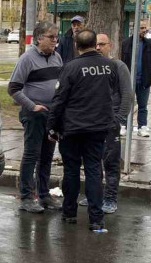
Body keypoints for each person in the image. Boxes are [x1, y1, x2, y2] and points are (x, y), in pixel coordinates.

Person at [45, 29, 116, 231]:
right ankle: (96, 219)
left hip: (73, 128)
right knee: (94, 170)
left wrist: (52, 126)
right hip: (99, 127)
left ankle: (69, 213)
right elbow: (113, 93)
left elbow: (59, 100)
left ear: (76, 46)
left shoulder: (71, 67)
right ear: (96, 44)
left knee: (72, 170)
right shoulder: (109, 66)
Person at [7, 21, 63, 214]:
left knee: (47, 156)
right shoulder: (27, 58)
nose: (55, 40)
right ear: (39, 38)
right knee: (32, 155)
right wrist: (33, 106)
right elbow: (13, 89)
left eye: (56, 37)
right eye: (51, 37)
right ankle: (26, 197)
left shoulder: (57, 58)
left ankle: (44, 194)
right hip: (33, 115)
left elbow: (60, 85)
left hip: (51, 115)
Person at [83, 33, 133, 214]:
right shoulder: (90, 67)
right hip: (91, 123)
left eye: (102, 45)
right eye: (95, 45)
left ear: (109, 46)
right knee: (92, 161)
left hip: (110, 123)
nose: (98, 48)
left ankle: (111, 198)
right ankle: (93, 195)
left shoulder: (118, 66)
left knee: (111, 162)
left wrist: (119, 118)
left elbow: (127, 94)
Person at [121, 20, 151, 138]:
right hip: (129, 80)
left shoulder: (150, 44)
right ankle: (123, 125)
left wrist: (150, 74)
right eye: (141, 28)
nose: (144, 30)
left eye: (145, 28)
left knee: (143, 105)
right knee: (126, 104)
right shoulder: (126, 43)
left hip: (144, 80)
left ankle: (142, 126)